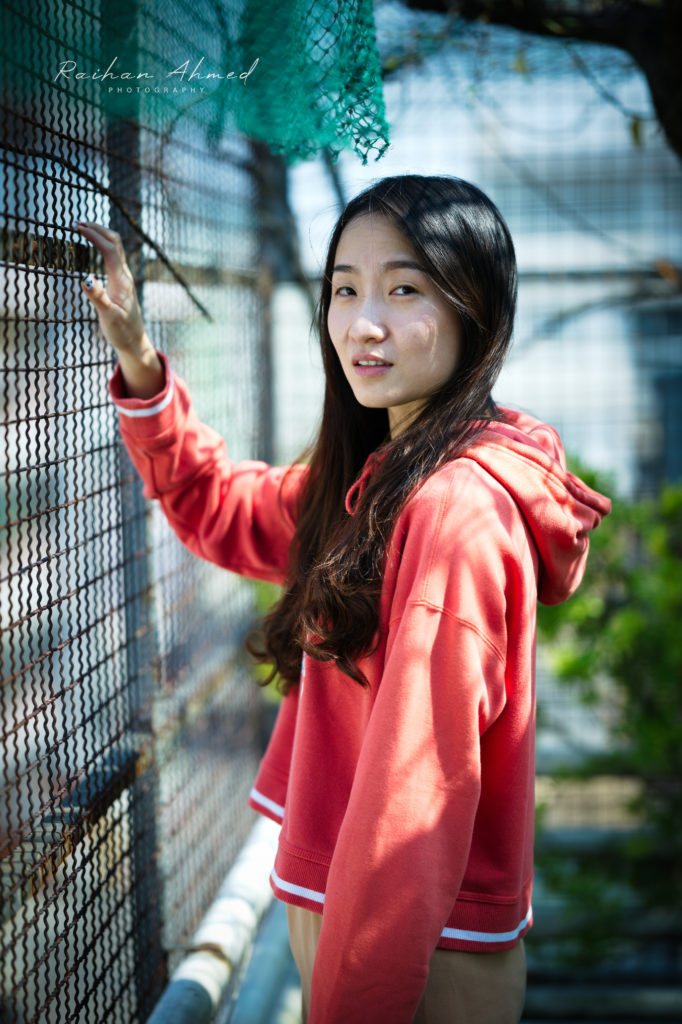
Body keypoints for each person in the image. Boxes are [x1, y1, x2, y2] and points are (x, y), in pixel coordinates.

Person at [74, 174, 610, 1024]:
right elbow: (220, 502)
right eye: (345, 290)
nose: (363, 324)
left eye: (404, 289)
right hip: (388, 950)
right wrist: (141, 363)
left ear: (477, 309)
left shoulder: (450, 513)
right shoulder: (383, 484)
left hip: (412, 968)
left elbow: (411, 810)